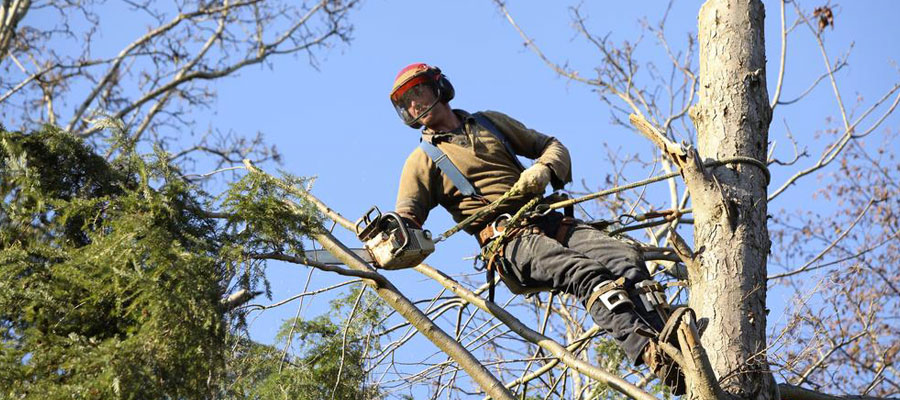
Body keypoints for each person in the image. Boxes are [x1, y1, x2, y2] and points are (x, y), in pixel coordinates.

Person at [388, 62, 691, 395]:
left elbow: (551, 145)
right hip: (508, 241)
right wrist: (388, 242)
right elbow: (407, 216)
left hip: (548, 219)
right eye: (406, 103)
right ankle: (651, 354)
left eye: (417, 93)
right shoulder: (423, 160)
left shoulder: (489, 122)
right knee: (584, 272)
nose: (415, 105)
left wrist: (544, 170)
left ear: (438, 88)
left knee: (624, 257)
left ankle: (674, 346)